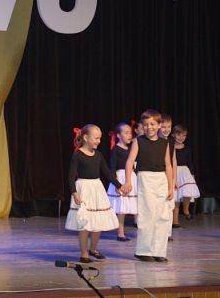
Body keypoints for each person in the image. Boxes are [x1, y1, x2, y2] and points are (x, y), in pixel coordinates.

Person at [121, 109, 174, 262]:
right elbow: (130, 161)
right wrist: (128, 181)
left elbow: (168, 165)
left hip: (161, 179)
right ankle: (143, 251)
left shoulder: (165, 143)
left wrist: (171, 186)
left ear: (159, 125)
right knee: (148, 213)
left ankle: (159, 251)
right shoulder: (138, 141)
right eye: (145, 125)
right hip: (145, 177)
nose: (149, 127)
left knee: (162, 215)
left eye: (152, 124)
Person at [65, 124, 121, 263]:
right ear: (85, 137)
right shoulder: (78, 155)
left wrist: (119, 186)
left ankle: (93, 249)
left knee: (98, 222)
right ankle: (84, 253)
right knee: (85, 224)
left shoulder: (99, 155)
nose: (99, 141)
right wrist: (74, 193)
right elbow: (71, 176)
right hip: (84, 189)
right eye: (96, 138)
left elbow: (107, 172)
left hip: (97, 189)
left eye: (100, 138)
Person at [106, 123, 136, 241]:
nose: (129, 135)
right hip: (120, 178)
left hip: (131, 177)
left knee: (135, 205)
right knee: (121, 208)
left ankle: (142, 229)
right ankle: (121, 233)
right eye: (126, 133)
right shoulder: (116, 150)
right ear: (118, 135)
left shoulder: (132, 148)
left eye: (130, 133)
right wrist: (116, 184)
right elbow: (112, 168)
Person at [172, 124, 200, 225]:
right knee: (176, 197)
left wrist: (192, 174)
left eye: (184, 135)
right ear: (173, 135)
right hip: (174, 171)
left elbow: (190, 162)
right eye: (178, 135)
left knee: (187, 191)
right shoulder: (170, 147)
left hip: (185, 172)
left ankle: (185, 209)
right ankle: (175, 221)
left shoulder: (187, 148)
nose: (181, 137)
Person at [159, 113, 177, 238]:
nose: (166, 129)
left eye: (169, 127)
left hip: (169, 176)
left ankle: (168, 232)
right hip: (159, 176)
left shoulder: (171, 141)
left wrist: (174, 178)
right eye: (164, 127)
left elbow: (173, 160)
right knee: (160, 205)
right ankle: (159, 231)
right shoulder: (156, 140)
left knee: (170, 204)